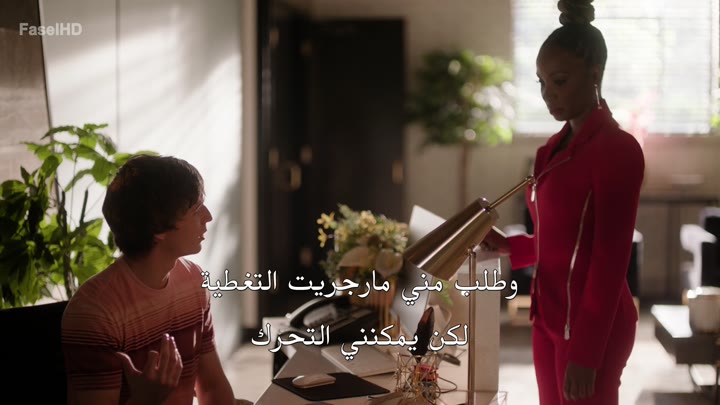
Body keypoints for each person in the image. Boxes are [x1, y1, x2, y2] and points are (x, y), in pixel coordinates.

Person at [484, 1, 645, 404]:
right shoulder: (550, 151)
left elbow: (610, 259)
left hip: (593, 327)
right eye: (541, 82)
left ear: (595, 74)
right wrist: (509, 246)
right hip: (549, 315)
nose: (547, 94)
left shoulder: (618, 150)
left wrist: (587, 353)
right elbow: (560, 239)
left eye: (558, 81)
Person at [61, 154, 237, 404]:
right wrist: (145, 400)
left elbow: (212, 386)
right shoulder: (96, 313)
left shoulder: (194, 282)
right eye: (196, 209)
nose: (208, 216)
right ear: (158, 229)